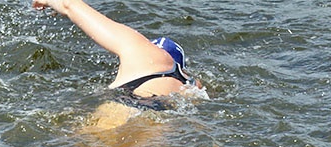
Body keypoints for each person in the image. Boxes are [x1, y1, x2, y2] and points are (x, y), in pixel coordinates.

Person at [32, 0, 203, 131]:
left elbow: (69, 4)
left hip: (122, 113)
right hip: (159, 128)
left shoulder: (142, 51)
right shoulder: (190, 85)